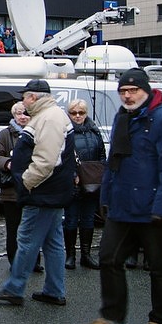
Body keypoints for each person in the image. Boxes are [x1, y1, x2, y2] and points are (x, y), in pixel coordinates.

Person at [78, 68, 162, 324]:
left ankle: (159, 323)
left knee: (159, 267)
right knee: (108, 258)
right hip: (122, 204)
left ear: (145, 90)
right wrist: (105, 197)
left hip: (153, 207)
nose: (127, 95)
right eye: (123, 91)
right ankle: (112, 320)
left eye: (133, 90)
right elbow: (114, 161)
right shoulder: (122, 117)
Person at [0, 79, 75, 307]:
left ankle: (14, 288)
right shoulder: (50, 115)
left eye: (24, 96)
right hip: (51, 191)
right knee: (53, 242)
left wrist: (25, 182)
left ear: (33, 97)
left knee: (26, 239)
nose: (22, 101)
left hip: (43, 191)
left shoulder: (49, 118)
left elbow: (46, 161)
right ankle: (54, 290)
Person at [65, 99, 106, 270]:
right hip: (72, 182)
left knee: (89, 219)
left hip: (92, 182)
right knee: (71, 219)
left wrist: (102, 172)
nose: (77, 116)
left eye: (81, 112)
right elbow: (62, 157)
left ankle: (86, 254)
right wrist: (73, 174)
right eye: (74, 113)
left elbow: (102, 155)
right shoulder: (65, 132)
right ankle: (70, 255)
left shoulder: (94, 131)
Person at [0, 102, 31, 266]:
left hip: (32, 189)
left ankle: (33, 260)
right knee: (13, 228)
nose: (22, 117)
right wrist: (8, 163)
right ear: (13, 116)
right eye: (18, 114)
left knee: (31, 228)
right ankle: (14, 261)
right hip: (11, 190)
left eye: (25, 114)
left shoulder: (37, 133)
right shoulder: (5, 134)